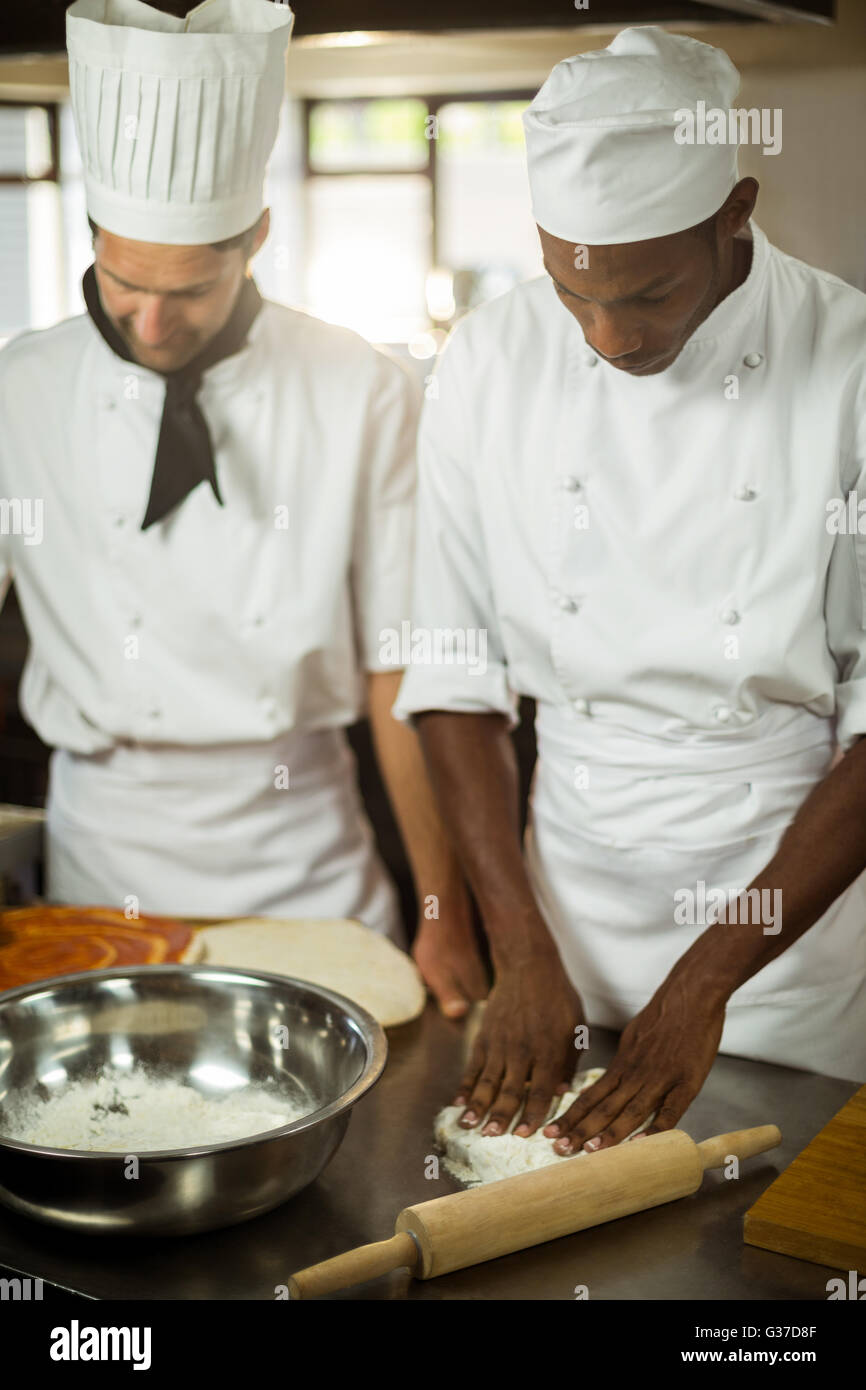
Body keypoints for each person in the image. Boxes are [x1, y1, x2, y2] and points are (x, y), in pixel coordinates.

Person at [394, 25, 866, 1152]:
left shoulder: (847, 361)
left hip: (779, 935)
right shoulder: (486, 361)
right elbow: (454, 675)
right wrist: (523, 949)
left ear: (733, 208)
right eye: (571, 293)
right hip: (563, 900)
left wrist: (706, 983)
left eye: (647, 294)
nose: (608, 336)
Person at [0, 0, 485, 1017]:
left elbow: (400, 665)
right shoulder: (19, 389)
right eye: (124, 281)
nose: (148, 319)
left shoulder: (362, 387)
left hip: (303, 856)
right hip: (103, 857)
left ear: (255, 237)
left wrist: (442, 907)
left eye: (188, 290)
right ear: (93, 232)